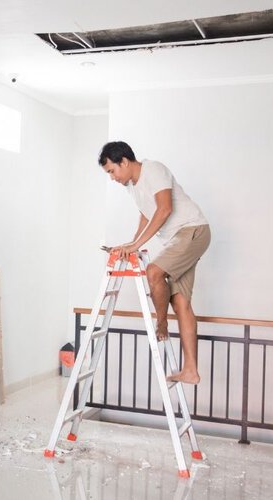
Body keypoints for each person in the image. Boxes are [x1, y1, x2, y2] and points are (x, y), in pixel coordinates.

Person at [98, 141, 210, 385]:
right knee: (180, 303)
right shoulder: (132, 186)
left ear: (124, 161)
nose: (112, 177)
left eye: (111, 171)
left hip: (193, 230)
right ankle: (191, 370)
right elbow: (147, 213)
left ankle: (160, 323)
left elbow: (164, 209)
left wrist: (136, 246)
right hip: (178, 239)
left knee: (154, 272)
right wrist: (133, 242)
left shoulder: (154, 170)